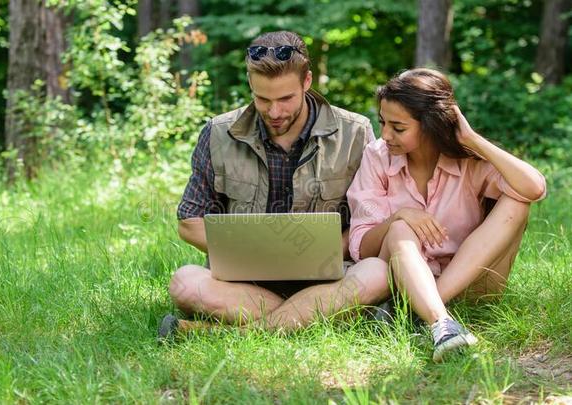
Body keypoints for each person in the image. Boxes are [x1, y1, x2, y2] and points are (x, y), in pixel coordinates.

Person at [159, 31, 391, 339]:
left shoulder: (355, 132)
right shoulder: (217, 134)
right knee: (184, 282)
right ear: (250, 83)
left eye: (285, 99)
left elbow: (371, 219)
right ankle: (321, 316)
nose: (274, 112)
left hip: (327, 278)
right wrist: (256, 255)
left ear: (307, 81)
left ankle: (227, 332)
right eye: (262, 99)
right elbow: (189, 222)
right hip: (245, 284)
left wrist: (322, 254)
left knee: (378, 273)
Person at [347, 68, 547, 362]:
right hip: (399, 284)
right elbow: (362, 247)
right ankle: (441, 323)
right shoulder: (378, 156)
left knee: (517, 201)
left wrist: (471, 138)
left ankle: (425, 310)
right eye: (383, 123)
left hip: (470, 288)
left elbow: (534, 188)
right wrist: (399, 216)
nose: (385, 134)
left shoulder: (469, 161)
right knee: (401, 229)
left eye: (398, 127)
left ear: (431, 125)